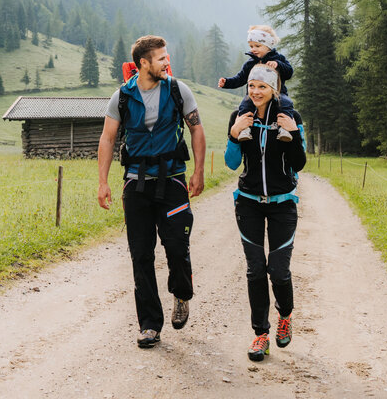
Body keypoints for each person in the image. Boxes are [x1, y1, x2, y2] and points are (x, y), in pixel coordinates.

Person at [98, 35, 207, 349]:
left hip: (172, 181)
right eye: (161, 58)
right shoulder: (121, 97)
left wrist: (198, 171)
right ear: (143, 63)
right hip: (136, 184)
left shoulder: (177, 90)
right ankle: (149, 325)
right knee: (141, 255)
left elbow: (196, 128)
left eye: (166, 56)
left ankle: (182, 294)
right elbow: (107, 139)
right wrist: (103, 182)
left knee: (176, 245)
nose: (167, 62)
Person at [224, 64, 306, 361]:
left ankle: (285, 315)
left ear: (274, 89)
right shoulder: (240, 117)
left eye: (262, 86)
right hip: (248, 203)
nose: (255, 92)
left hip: (283, 203)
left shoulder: (290, 118)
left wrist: (294, 134)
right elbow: (232, 163)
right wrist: (234, 135)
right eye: (251, 86)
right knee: (255, 268)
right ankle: (260, 334)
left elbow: (298, 163)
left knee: (278, 270)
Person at [218, 25, 299, 142]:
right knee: (244, 105)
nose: (253, 49)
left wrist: (278, 65)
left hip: (278, 93)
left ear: (268, 45)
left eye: (257, 46)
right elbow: (240, 78)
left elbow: (289, 72)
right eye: (251, 46)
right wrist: (227, 82)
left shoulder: (279, 59)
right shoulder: (250, 64)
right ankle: (245, 130)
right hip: (255, 96)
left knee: (286, 103)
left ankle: (284, 129)